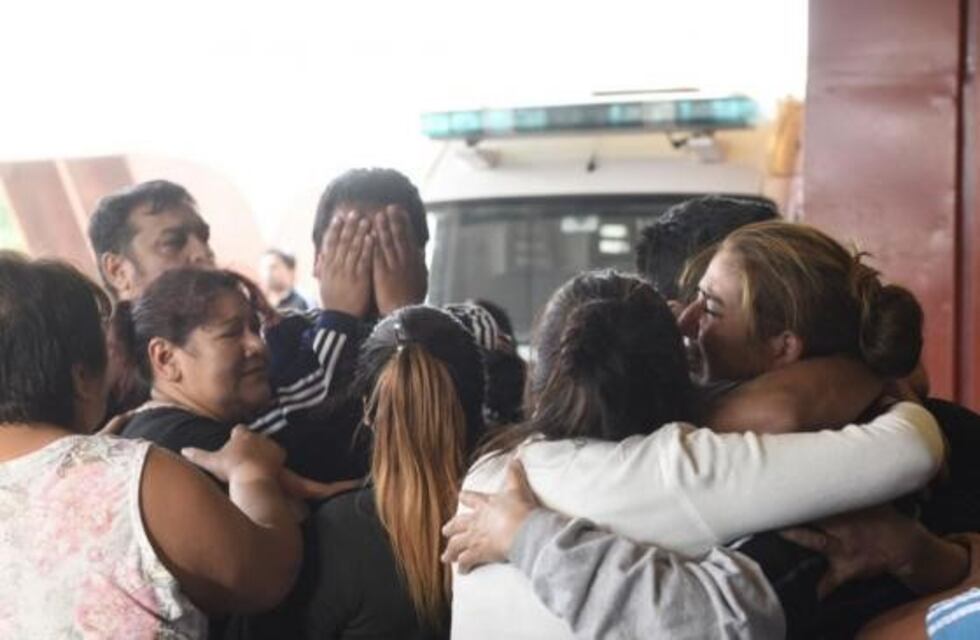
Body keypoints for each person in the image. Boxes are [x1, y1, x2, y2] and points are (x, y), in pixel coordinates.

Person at [450, 270, 943, 640]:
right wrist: (883, 380)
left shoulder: (490, 474)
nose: (693, 321)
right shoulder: (677, 468)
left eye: (710, 308)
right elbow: (912, 450)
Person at [0, 252, 301, 637]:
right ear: (82, 377)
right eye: (230, 333)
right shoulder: (135, 479)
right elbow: (266, 578)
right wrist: (252, 475)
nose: (255, 345)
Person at [248, 305, 486, 639]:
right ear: (479, 397)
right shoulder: (514, 512)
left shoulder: (339, 531)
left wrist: (249, 479)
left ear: (367, 411)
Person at [114, 266, 368, 483]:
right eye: (232, 333)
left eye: (255, 329)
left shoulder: (163, 430)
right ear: (165, 358)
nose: (257, 345)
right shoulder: (196, 446)